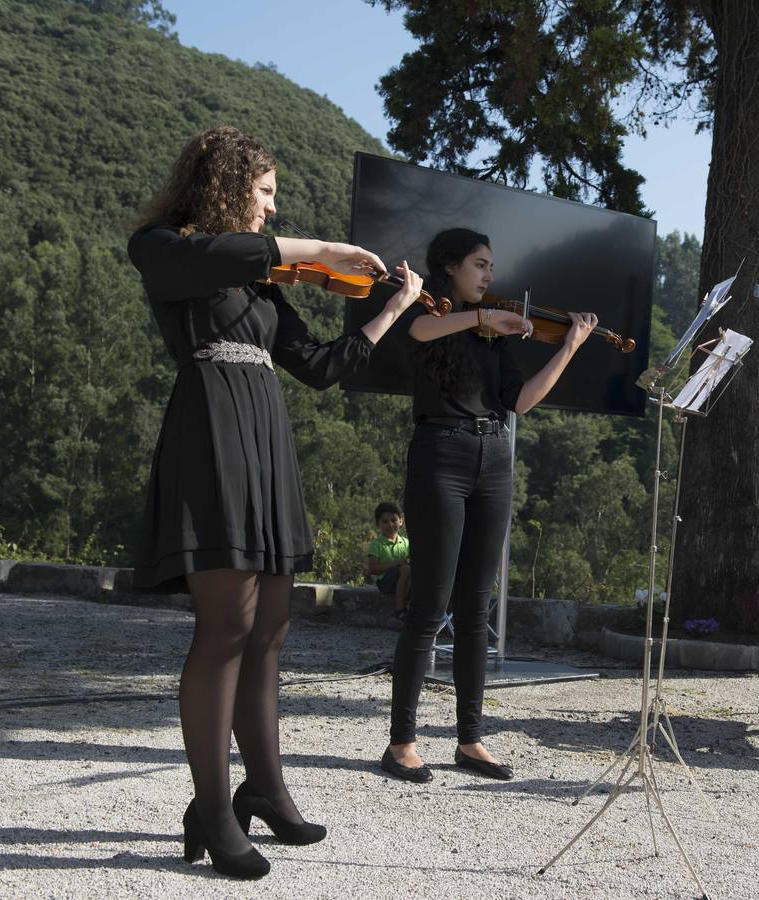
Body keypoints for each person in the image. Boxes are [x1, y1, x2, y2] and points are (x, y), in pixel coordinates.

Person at [128, 126, 424, 878]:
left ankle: (265, 791)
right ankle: (213, 807)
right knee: (226, 625)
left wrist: (393, 310)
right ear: (226, 186)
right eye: (261, 193)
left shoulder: (262, 281)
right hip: (212, 436)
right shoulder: (163, 245)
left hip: (263, 439)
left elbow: (321, 367)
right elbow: (219, 255)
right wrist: (317, 249)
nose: (268, 208)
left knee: (271, 627)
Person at [379, 227, 596, 783]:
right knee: (429, 604)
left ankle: (469, 741)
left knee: (477, 607)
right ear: (449, 266)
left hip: (494, 456)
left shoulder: (497, 335)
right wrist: (480, 319)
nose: (490, 276)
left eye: (491, 266)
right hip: (440, 456)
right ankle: (401, 741)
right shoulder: (422, 309)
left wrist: (568, 348)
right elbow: (421, 331)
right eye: (480, 264)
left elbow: (519, 402)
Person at [366, 502, 411, 616]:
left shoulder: (406, 543)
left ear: (401, 521)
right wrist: (395, 564)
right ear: (378, 524)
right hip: (385, 583)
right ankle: (400, 609)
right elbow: (373, 569)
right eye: (385, 521)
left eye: (394, 520)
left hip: (404, 581)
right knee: (405, 569)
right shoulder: (376, 544)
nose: (390, 524)